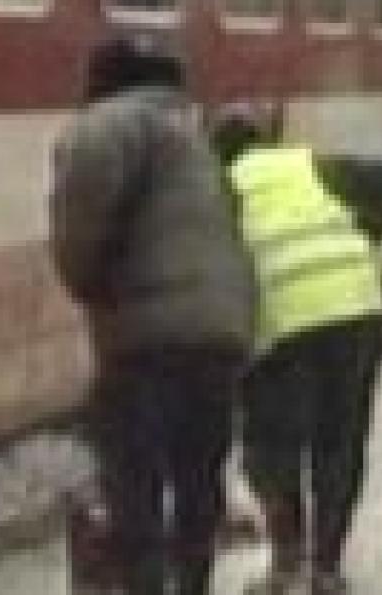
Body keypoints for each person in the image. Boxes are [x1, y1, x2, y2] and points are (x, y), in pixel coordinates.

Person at [49, 38, 256, 595]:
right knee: (198, 483)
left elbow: (79, 234)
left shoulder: (103, 127)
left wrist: (85, 284)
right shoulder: (193, 138)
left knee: (133, 488)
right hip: (222, 333)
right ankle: (193, 584)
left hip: (147, 341)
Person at [214, 107, 382, 595]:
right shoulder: (308, 164)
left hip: (285, 321)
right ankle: (327, 567)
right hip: (357, 307)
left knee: (272, 445)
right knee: (341, 443)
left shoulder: (221, 185)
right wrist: (369, 233)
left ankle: (287, 562)